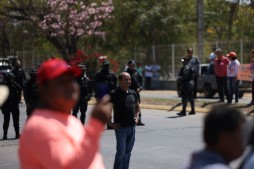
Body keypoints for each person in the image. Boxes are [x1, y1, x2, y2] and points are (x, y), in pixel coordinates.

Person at [19, 58, 112, 169]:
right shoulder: (39, 127)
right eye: (61, 81)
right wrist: (95, 125)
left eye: (72, 80)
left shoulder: (72, 121)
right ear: (43, 89)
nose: (70, 85)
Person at [108, 72, 140, 169]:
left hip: (132, 128)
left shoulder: (133, 93)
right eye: (126, 79)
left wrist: (137, 116)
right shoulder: (113, 94)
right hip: (120, 128)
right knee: (121, 152)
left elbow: (137, 107)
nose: (128, 81)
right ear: (120, 81)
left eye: (129, 79)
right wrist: (110, 123)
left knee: (128, 152)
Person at [94, 60, 117, 129]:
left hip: (110, 95)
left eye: (107, 65)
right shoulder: (98, 74)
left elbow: (115, 84)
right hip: (101, 95)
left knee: (109, 111)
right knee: (100, 111)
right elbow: (95, 85)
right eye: (105, 65)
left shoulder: (112, 74)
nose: (106, 67)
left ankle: (109, 124)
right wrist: (97, 95)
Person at [1, 72, 22, 140]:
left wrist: (13, 82)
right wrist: (2, 108)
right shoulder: (4, 85)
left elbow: (20, 88)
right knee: (6, 121)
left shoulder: (14, 85)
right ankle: (5, 135)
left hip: (14, 105)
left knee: (16, 121)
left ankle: (17, 134)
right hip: (7, 105)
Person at [126, 60, 145, 126]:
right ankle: (130, 120)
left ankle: (138, 120)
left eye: (134, 65)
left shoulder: (137, 73)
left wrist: (140, 88)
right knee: (129, 107)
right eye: (131, 65)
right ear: (128, 66)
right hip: (128, 93)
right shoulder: (125, 73)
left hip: (136, 93)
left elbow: (141, 81)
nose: (133, 66)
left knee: (137, 106)